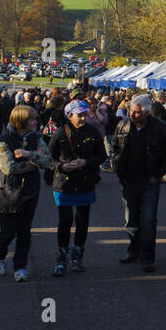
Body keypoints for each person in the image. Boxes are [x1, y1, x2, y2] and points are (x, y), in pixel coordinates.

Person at [111, 92, 166, 273]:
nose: (132, 115)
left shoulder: (160, 128)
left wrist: (158, 173)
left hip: (149, 181)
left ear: (147, 113)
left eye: (137, 112)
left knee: (148, 220)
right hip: (128, 180)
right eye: (131, 111)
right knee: (131, 220)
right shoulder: (123, 125)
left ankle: (147, 257)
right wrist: (117, 166)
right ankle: (134, 249)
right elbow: (114, 147)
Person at [0, 104, 53, 281]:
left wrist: (29, 154)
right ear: (21, 121)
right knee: (8, 231)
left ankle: (20, 267)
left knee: (25, 231)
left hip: (30, 190)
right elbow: (8, 167)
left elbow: (47, 160)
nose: (35, 122)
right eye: (32, 119)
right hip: (7, 190)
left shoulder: (36, 137)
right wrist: (35, 160)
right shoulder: (3, 140)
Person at [48, 99, 106, 275]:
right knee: (64, 221)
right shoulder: (59, 133)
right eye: (79, 115)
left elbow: (102, 156)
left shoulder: (93, 132)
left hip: (85, 182)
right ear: (69, 115)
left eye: (84, 115)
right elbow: (49, 158)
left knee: (82, 222)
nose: (83, 118)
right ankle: (61, 258)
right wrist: (61, 166)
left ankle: (77, 256)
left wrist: (86, 161)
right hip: (64, 184)